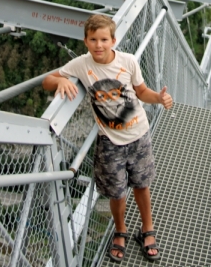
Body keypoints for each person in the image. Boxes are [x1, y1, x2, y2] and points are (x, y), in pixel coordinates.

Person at [43, 14, 173, 263]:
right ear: (85, 41)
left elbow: (141, 92)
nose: (98, 45)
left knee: (142, 185)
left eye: (104, 39)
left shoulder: (129, 61)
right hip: (110, 142)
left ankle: (147, 230)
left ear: (113, 40)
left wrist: (159, 98)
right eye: (93, 40)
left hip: (138, 135)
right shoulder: (81, 64)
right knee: (116, 193)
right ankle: (120, 232)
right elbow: (47, 80)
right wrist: (60, 79)